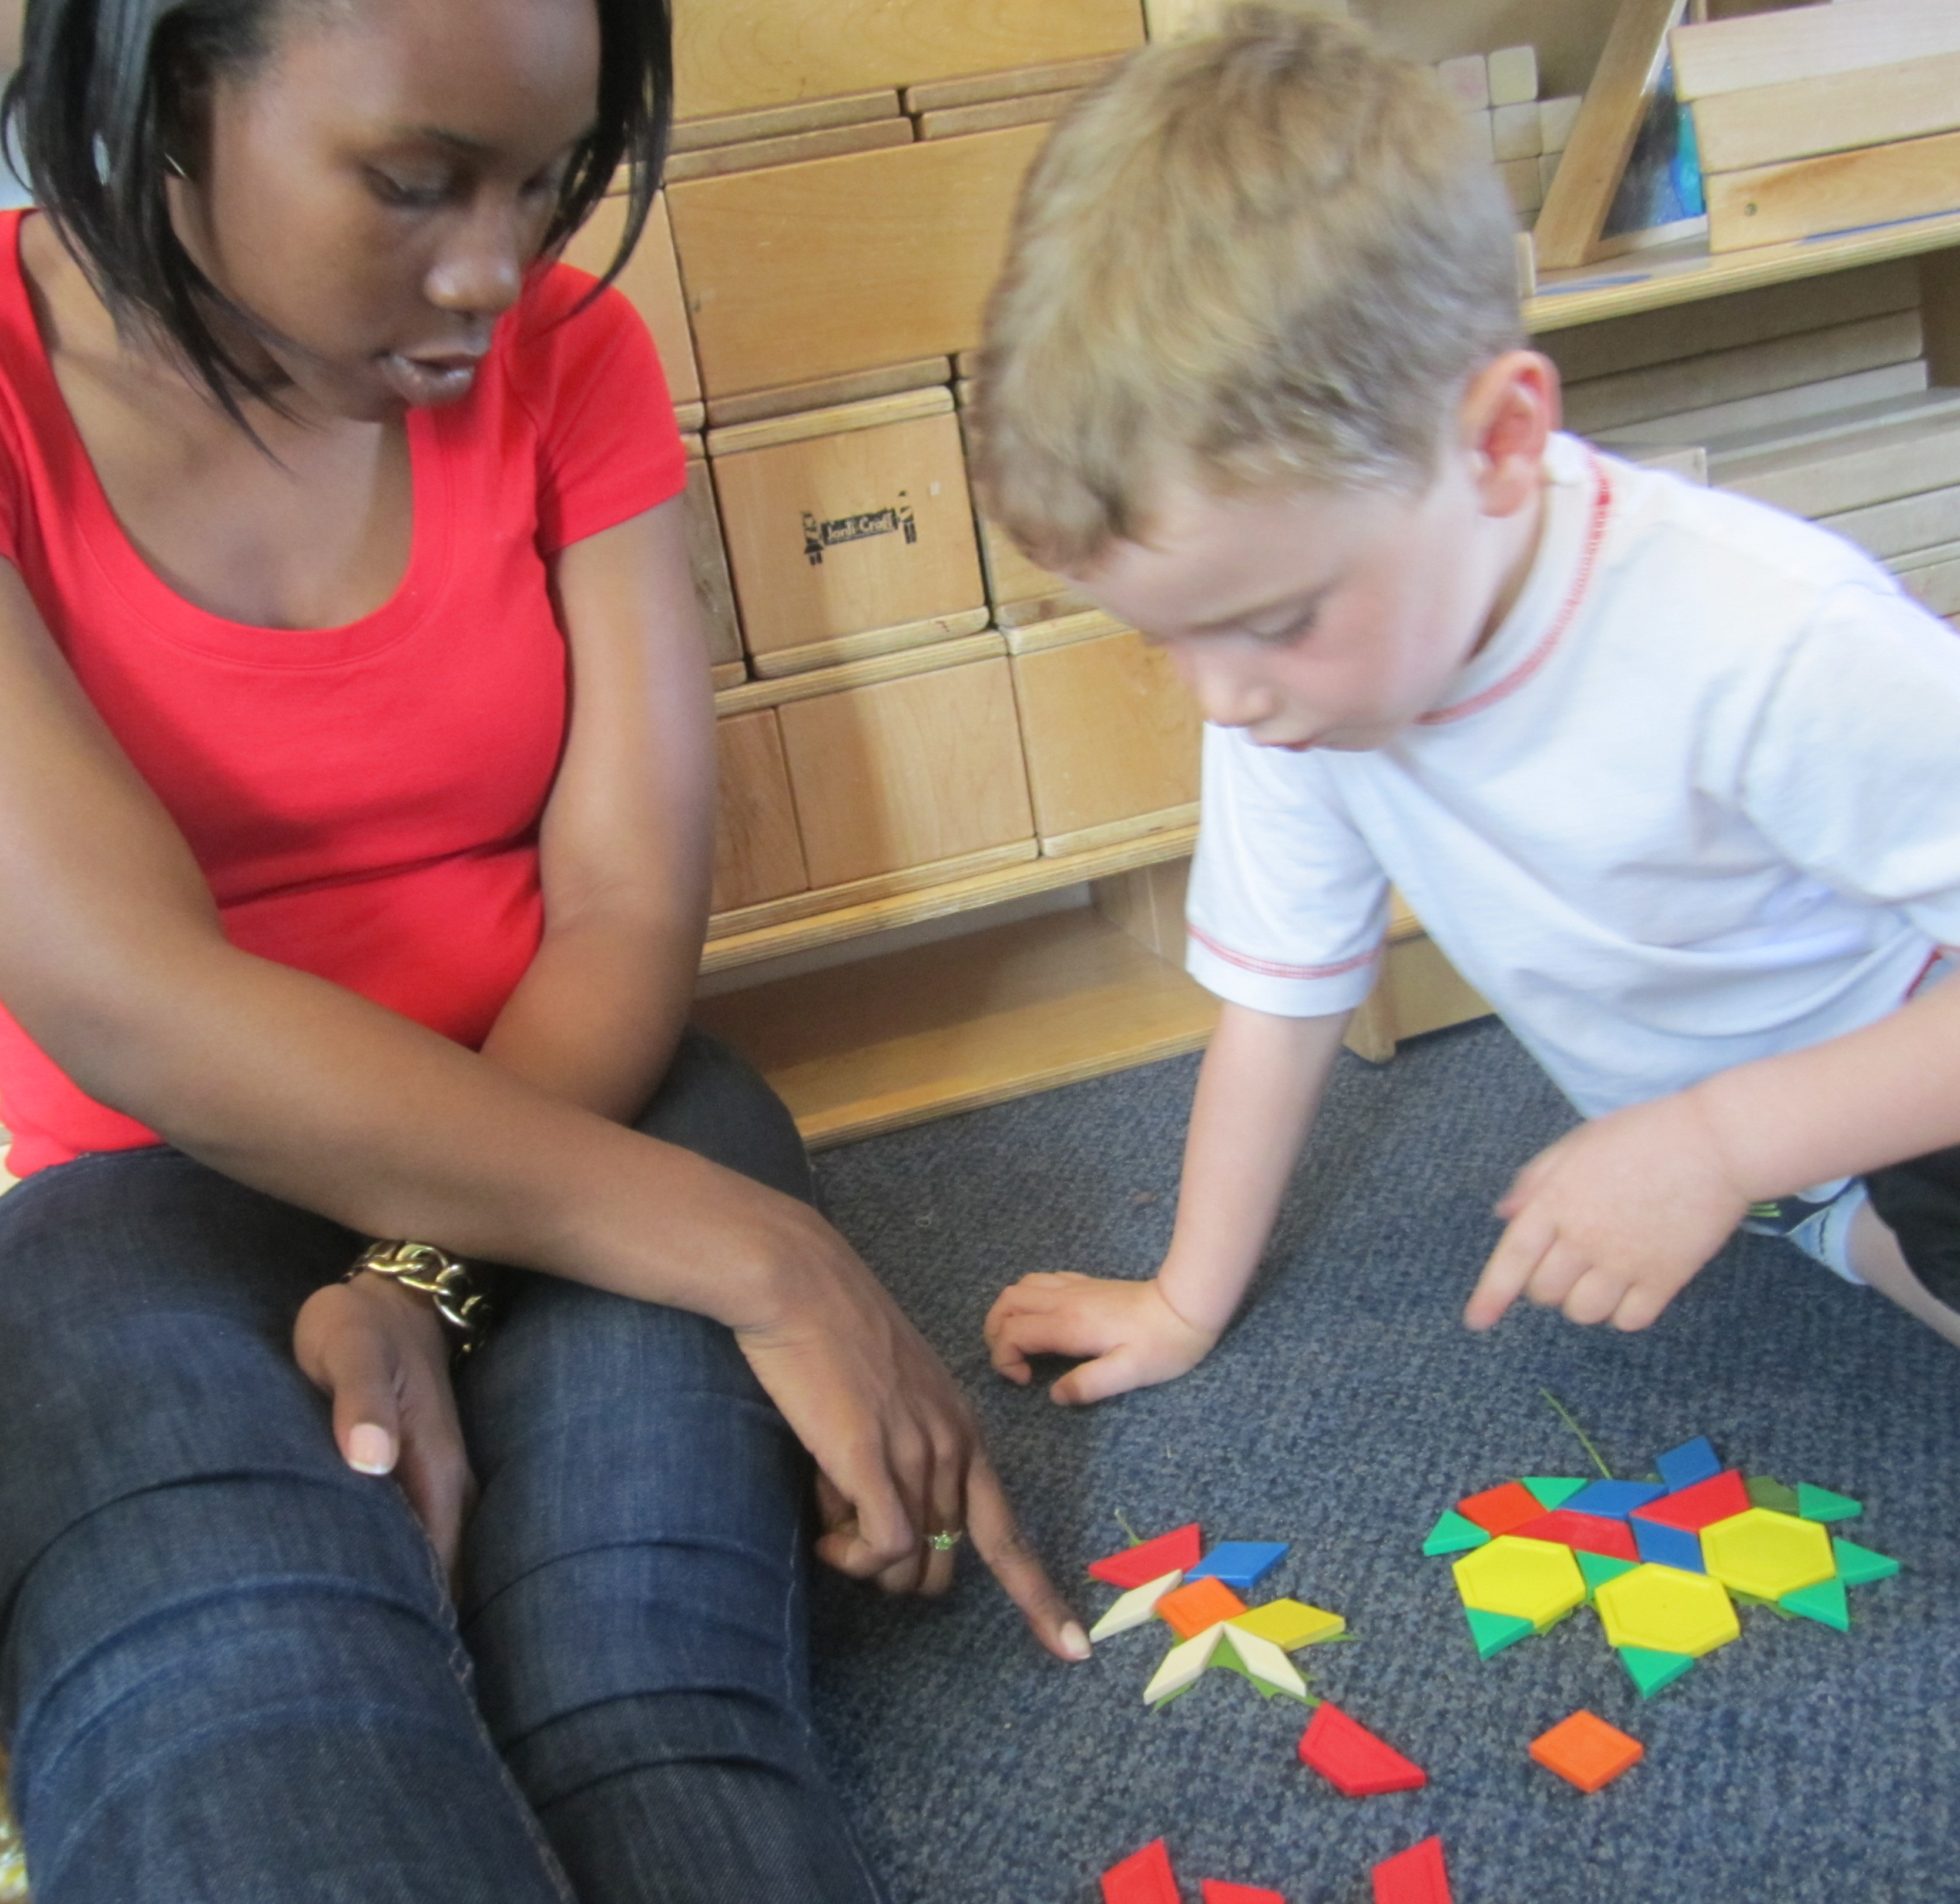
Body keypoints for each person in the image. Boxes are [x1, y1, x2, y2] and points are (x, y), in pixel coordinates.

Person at [0, 0, 1088, 1898]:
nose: (500, 268)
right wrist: (763, 1260)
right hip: (141, 1192)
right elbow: (127, 998)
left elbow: (621, 907)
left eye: (547, 181)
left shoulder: (573, 356)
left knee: (642, 1714)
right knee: (240, 1709)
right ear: (169, 85)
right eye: (415, 182)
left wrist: (419, 1283)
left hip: (592, 1091)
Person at [975, 4, 1960, 1408]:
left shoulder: (1765, 637)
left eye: (1271, 622)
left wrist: (1726, 1142)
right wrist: (1184, 1299)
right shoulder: (1289, 678)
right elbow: (1280, 995)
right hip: (1771, 1157)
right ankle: (1838, 1223)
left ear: (1499, 445)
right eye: (1166, 642)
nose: (1226, 700)